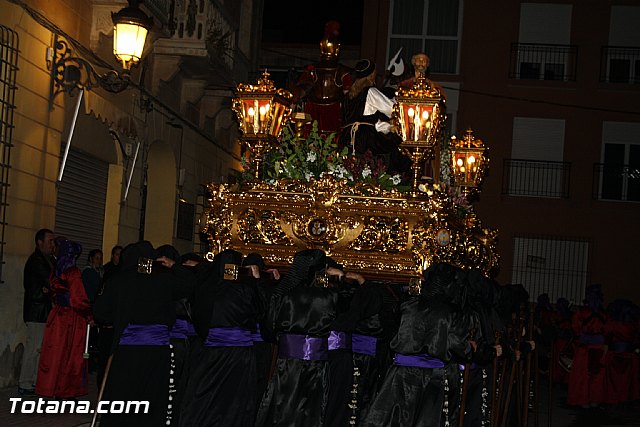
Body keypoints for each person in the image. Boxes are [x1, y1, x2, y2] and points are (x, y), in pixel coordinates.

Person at [361, 263, 474, 427]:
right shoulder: (452, 312)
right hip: (432, 379)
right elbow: (459, 347)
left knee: (396, 419)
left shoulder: (410, 305)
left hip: (400, 376)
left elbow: (396, 336)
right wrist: (471, 349)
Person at [99, 241, 196, 427]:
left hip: (127, 351)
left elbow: (101, 312)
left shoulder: (119, 281)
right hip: (156, 352)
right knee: (153, 399)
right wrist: (174, 266)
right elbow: (191, 285)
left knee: (123, 398)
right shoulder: (164, 280)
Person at [255, 249, 350, 426]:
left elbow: (268, 328)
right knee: (309, 409)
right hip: (315, 363)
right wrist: (341, 280)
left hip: (287, 360)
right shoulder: (330, 295)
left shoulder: (282, 293)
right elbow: (345, 316)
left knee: (281, 405)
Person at [179, 249, 263, 426]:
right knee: (235, 400)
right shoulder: (245, 288)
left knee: (206, 397)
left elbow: (199, 320)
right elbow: (259, 314)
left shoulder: (208, 288)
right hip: (240, 354)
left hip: (213, 351)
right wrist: (255, 282)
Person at [35, 238, 93, 398]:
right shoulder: (72, 272)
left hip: (58, 316)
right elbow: (78, 298)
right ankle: (65, 390)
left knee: (56, 353)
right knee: (71, 354)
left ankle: (53, 388)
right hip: (71, 318)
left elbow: (55, 291)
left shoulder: (57, 269)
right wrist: (89, 314)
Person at [340, 59, 411, 175]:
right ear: (371, 75)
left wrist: (388, 127)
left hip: (347, 138)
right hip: (364, 139)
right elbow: (392, 110)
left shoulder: (348, 96)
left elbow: (372, 122)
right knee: (389, 153)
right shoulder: (370, 91)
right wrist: (399, 97)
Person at [292, 21, 352, 135]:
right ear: (337, 49)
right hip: (329, 111)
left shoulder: (313, 69)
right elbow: (348, 94)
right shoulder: (342, 71)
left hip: (322, 110)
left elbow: (302, 88)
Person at [19, 228, 56, 395]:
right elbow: (48, 281)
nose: (52, 245)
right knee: (33, 347)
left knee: (40, 348)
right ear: (39, 242)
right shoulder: (36, 260)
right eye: (49, 241)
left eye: (53, 241)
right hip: (36, 311)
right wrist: (46, 291)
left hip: (43, 310)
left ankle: (33, 380)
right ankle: (25, 382)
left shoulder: (48, 259)